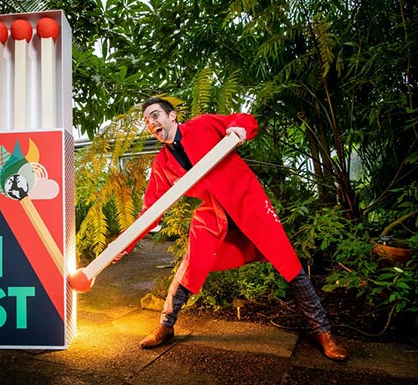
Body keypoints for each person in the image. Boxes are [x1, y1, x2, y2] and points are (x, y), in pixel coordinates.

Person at [115, 97, 347, 361]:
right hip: (213, 215)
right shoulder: (162, 164)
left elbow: (244, 119)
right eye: (146, 120)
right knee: (188, 268)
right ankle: (166, 326)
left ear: (172, 116)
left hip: (248, 203)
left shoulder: (203, 126)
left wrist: (239, 130)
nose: (151, 122)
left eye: (155, 115)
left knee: (289, 265)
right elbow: (150, 212)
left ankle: (324, 333)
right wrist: (126, 245)